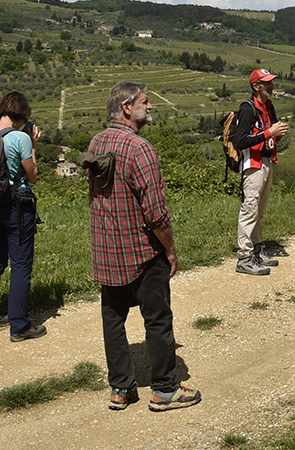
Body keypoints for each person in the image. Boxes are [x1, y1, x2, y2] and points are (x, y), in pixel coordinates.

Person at [85, 81, 200, 412]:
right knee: (158, 319)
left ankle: (121, 389)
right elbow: (156, 213)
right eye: (145, 102)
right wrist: (171, 250)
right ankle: (164, 389)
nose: (150, 107)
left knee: (113, 319)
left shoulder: (97, 142)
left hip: (108, 250)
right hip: (141, 251)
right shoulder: (140, 149)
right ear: (127, 108)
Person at [0, 91, 45, 342]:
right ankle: (20, 325)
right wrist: (32, 145)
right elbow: (32, 174)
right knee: (21, 265)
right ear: (21, 115)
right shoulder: (19, 138)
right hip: (17, 207)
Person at [233, 68, 290, 275]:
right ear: (256, 86)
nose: (271, 86)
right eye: (267, 83)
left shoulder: (268, 106)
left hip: (266, 161)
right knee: (250, 209)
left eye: (271, 82)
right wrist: (269, 133)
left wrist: (277, 134)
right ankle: (244, 256)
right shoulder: (248, 109)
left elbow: (269, 134)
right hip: (252, 164)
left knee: (260, 210)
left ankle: (256, 249)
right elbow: (241, 141)